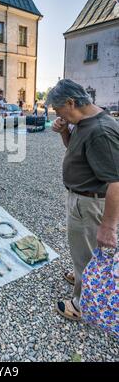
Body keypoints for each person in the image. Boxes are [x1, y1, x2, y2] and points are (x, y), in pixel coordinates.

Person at [47, 79, 119, 321]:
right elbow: (74, 149)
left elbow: (116, 182)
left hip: (90, 204)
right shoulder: (82, 121)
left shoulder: (101, 131)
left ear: (71, 102)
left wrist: (108, 227)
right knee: (82, 250)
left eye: (58, 110)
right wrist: (64, 131)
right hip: (80, 199)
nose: (58, 115)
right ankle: (81, 276)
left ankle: (82, 306)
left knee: (89, 254)